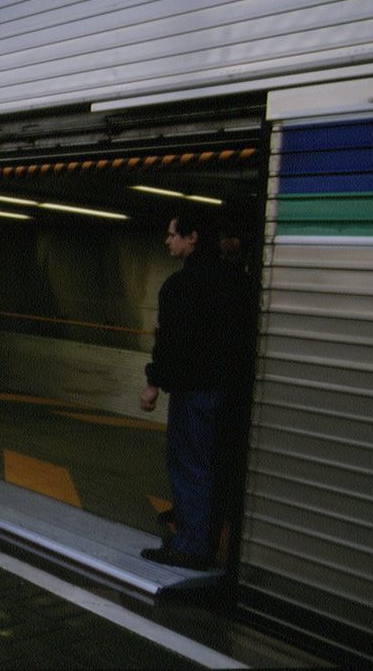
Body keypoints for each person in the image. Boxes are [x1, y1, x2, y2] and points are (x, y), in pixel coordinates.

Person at [139, 210, 251, 570]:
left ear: (193, 238)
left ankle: (191, 547)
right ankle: (211, 542)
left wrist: (153, 384)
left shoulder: (180, 286)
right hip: (230, 393)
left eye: (173, 234)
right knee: (217, 469)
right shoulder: (238, 281)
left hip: (194, 393)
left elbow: (170, 342)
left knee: (189, 467)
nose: (168, 240)